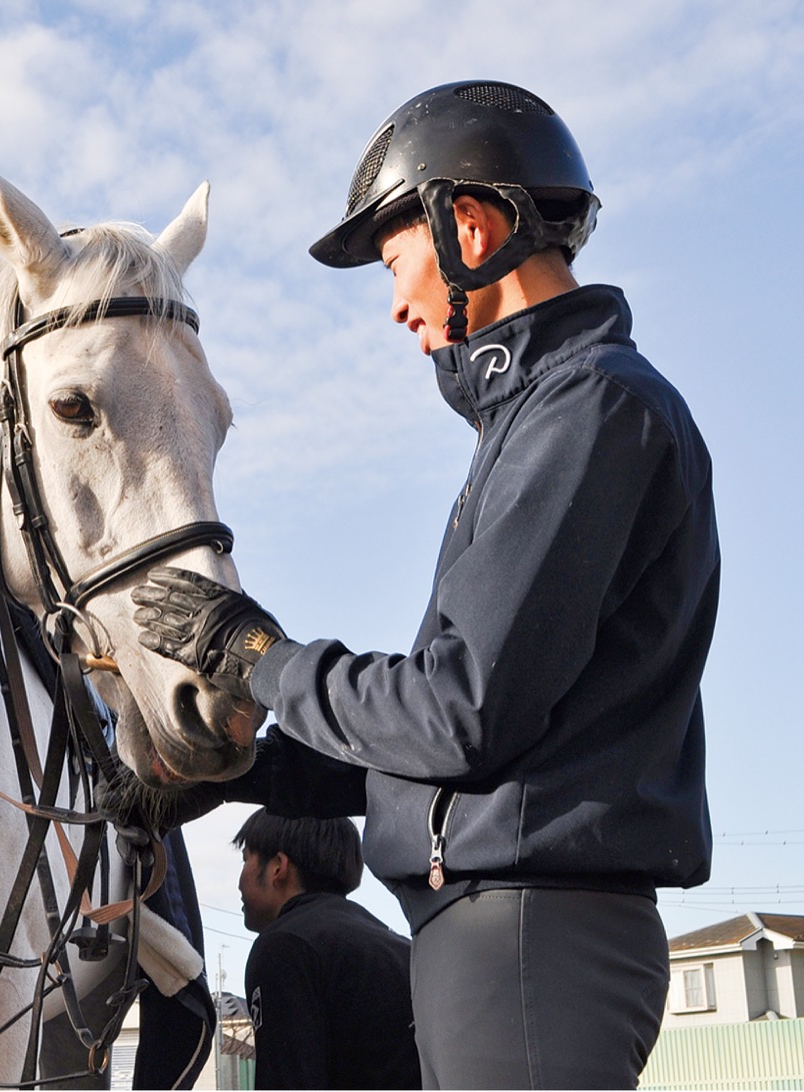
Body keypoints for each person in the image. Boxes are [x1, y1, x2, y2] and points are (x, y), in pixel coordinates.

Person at [130, 80, 719, 1089]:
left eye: (396, 262)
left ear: (473, 230)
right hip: (506, 936)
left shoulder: (586, 413)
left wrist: (255, 653)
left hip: (530, 938)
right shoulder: (546, 420)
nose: (396, 303)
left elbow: (458, 712)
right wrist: (245, 771)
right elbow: (449, 756)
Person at [231, 808, 421, 1090]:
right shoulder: (398, 945)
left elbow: (288, 1079)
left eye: (246, 859)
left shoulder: (284, 945)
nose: (239, 882)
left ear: (278, 867)